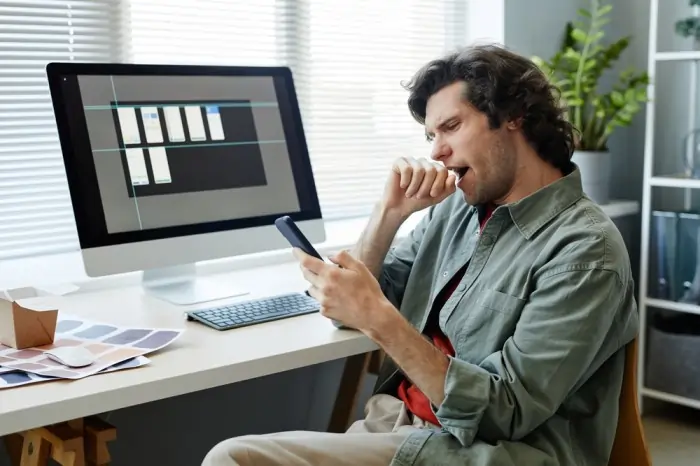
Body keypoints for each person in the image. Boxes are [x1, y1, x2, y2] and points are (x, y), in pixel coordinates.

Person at [202, 43, 639, 466]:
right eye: (431, 135)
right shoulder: (458, 212)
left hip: (490, 452)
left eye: (451, 127)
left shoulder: (585, 250)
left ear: (513, 116)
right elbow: (350, 309)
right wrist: (388, 214)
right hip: (396, 424)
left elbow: (504, 413)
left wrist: (380, 319)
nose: (435, 151)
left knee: (234, 459)